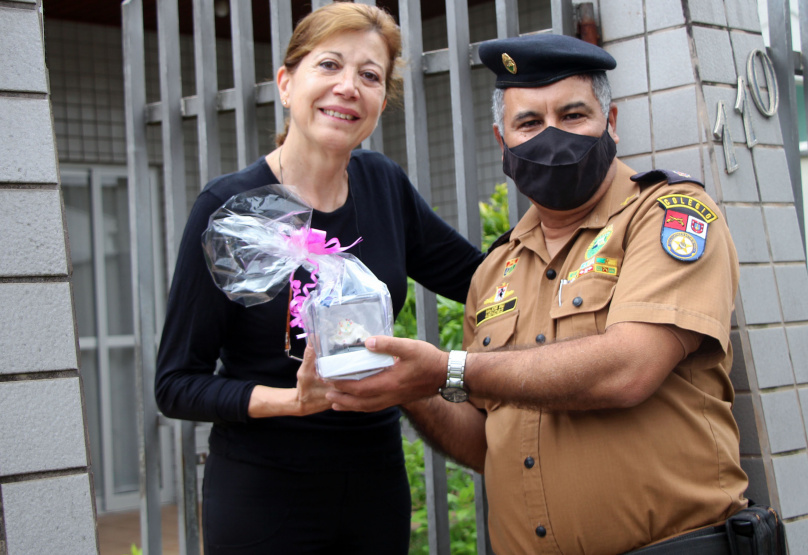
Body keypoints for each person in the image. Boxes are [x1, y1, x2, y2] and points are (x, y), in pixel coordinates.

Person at [328, 34, 749, 554]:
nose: (551, 136)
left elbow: (629, 368)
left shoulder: (666, 215)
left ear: (611, 122)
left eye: (573, 115)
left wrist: (447, 369)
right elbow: (486, 441)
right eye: (528, 123)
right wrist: (409, 386)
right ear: (502, 142)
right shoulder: (494, 271)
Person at [154, 4, 483, 554]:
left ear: (380, 103)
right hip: (264, 490)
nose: (348, 87)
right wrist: (292, 401)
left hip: (374, 482)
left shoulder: (383, 185)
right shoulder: (230, 209)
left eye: (369, 75)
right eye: (329, 65)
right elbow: (176, 384)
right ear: (286, 84)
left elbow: (479, 279)